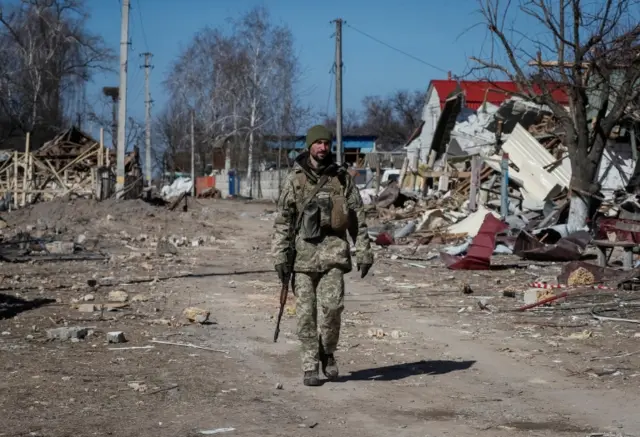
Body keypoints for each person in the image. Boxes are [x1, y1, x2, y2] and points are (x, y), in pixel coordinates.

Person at [272, 125, 374, 386]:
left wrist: (364, 251)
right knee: (306, 313)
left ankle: (326, 351)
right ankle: (310, 365)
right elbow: (283, 220)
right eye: (317, 143)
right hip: (303, 257)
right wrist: (280, 256)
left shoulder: (342, 179)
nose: (322, 148)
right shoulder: (295, 179)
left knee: (332, 309)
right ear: (309, 146)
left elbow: (357, 217)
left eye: (326, 143)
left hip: (333, 255)